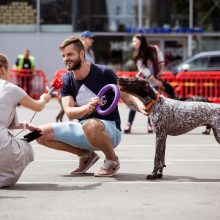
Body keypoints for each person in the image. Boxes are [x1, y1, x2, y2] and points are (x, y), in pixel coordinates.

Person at [37, 36, 146, 177]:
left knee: (90, 125)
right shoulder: (66, 80)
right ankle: (86, 156)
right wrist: (88, 107)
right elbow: (69, 112)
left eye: (70, 54)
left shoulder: (104, 73)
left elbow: (125, 96)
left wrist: (141, 106)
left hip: (110, 130)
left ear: (82, 54)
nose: (65, 59)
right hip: (83, 129)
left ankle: (112, 161)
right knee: (39, 134)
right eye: (63, 56)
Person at [0, 53, 51, 188]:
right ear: (2, 69)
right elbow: (38, 107)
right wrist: (44, 99)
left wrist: (25, 125)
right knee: (26, 146)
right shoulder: (10, 88)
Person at [124, 34, 165, 134]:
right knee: (135, 101)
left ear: (141, 41)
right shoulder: (137, 55)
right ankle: (129, 124)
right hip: (142, 80)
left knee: (151, 103)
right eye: (133, 41)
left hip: (154, 79)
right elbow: (146, 72)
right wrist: (157, 82)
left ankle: (150, 124)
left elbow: (161, 61)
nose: (133, 44)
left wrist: (161, 72)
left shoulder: (155, 49)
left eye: (135, 41)